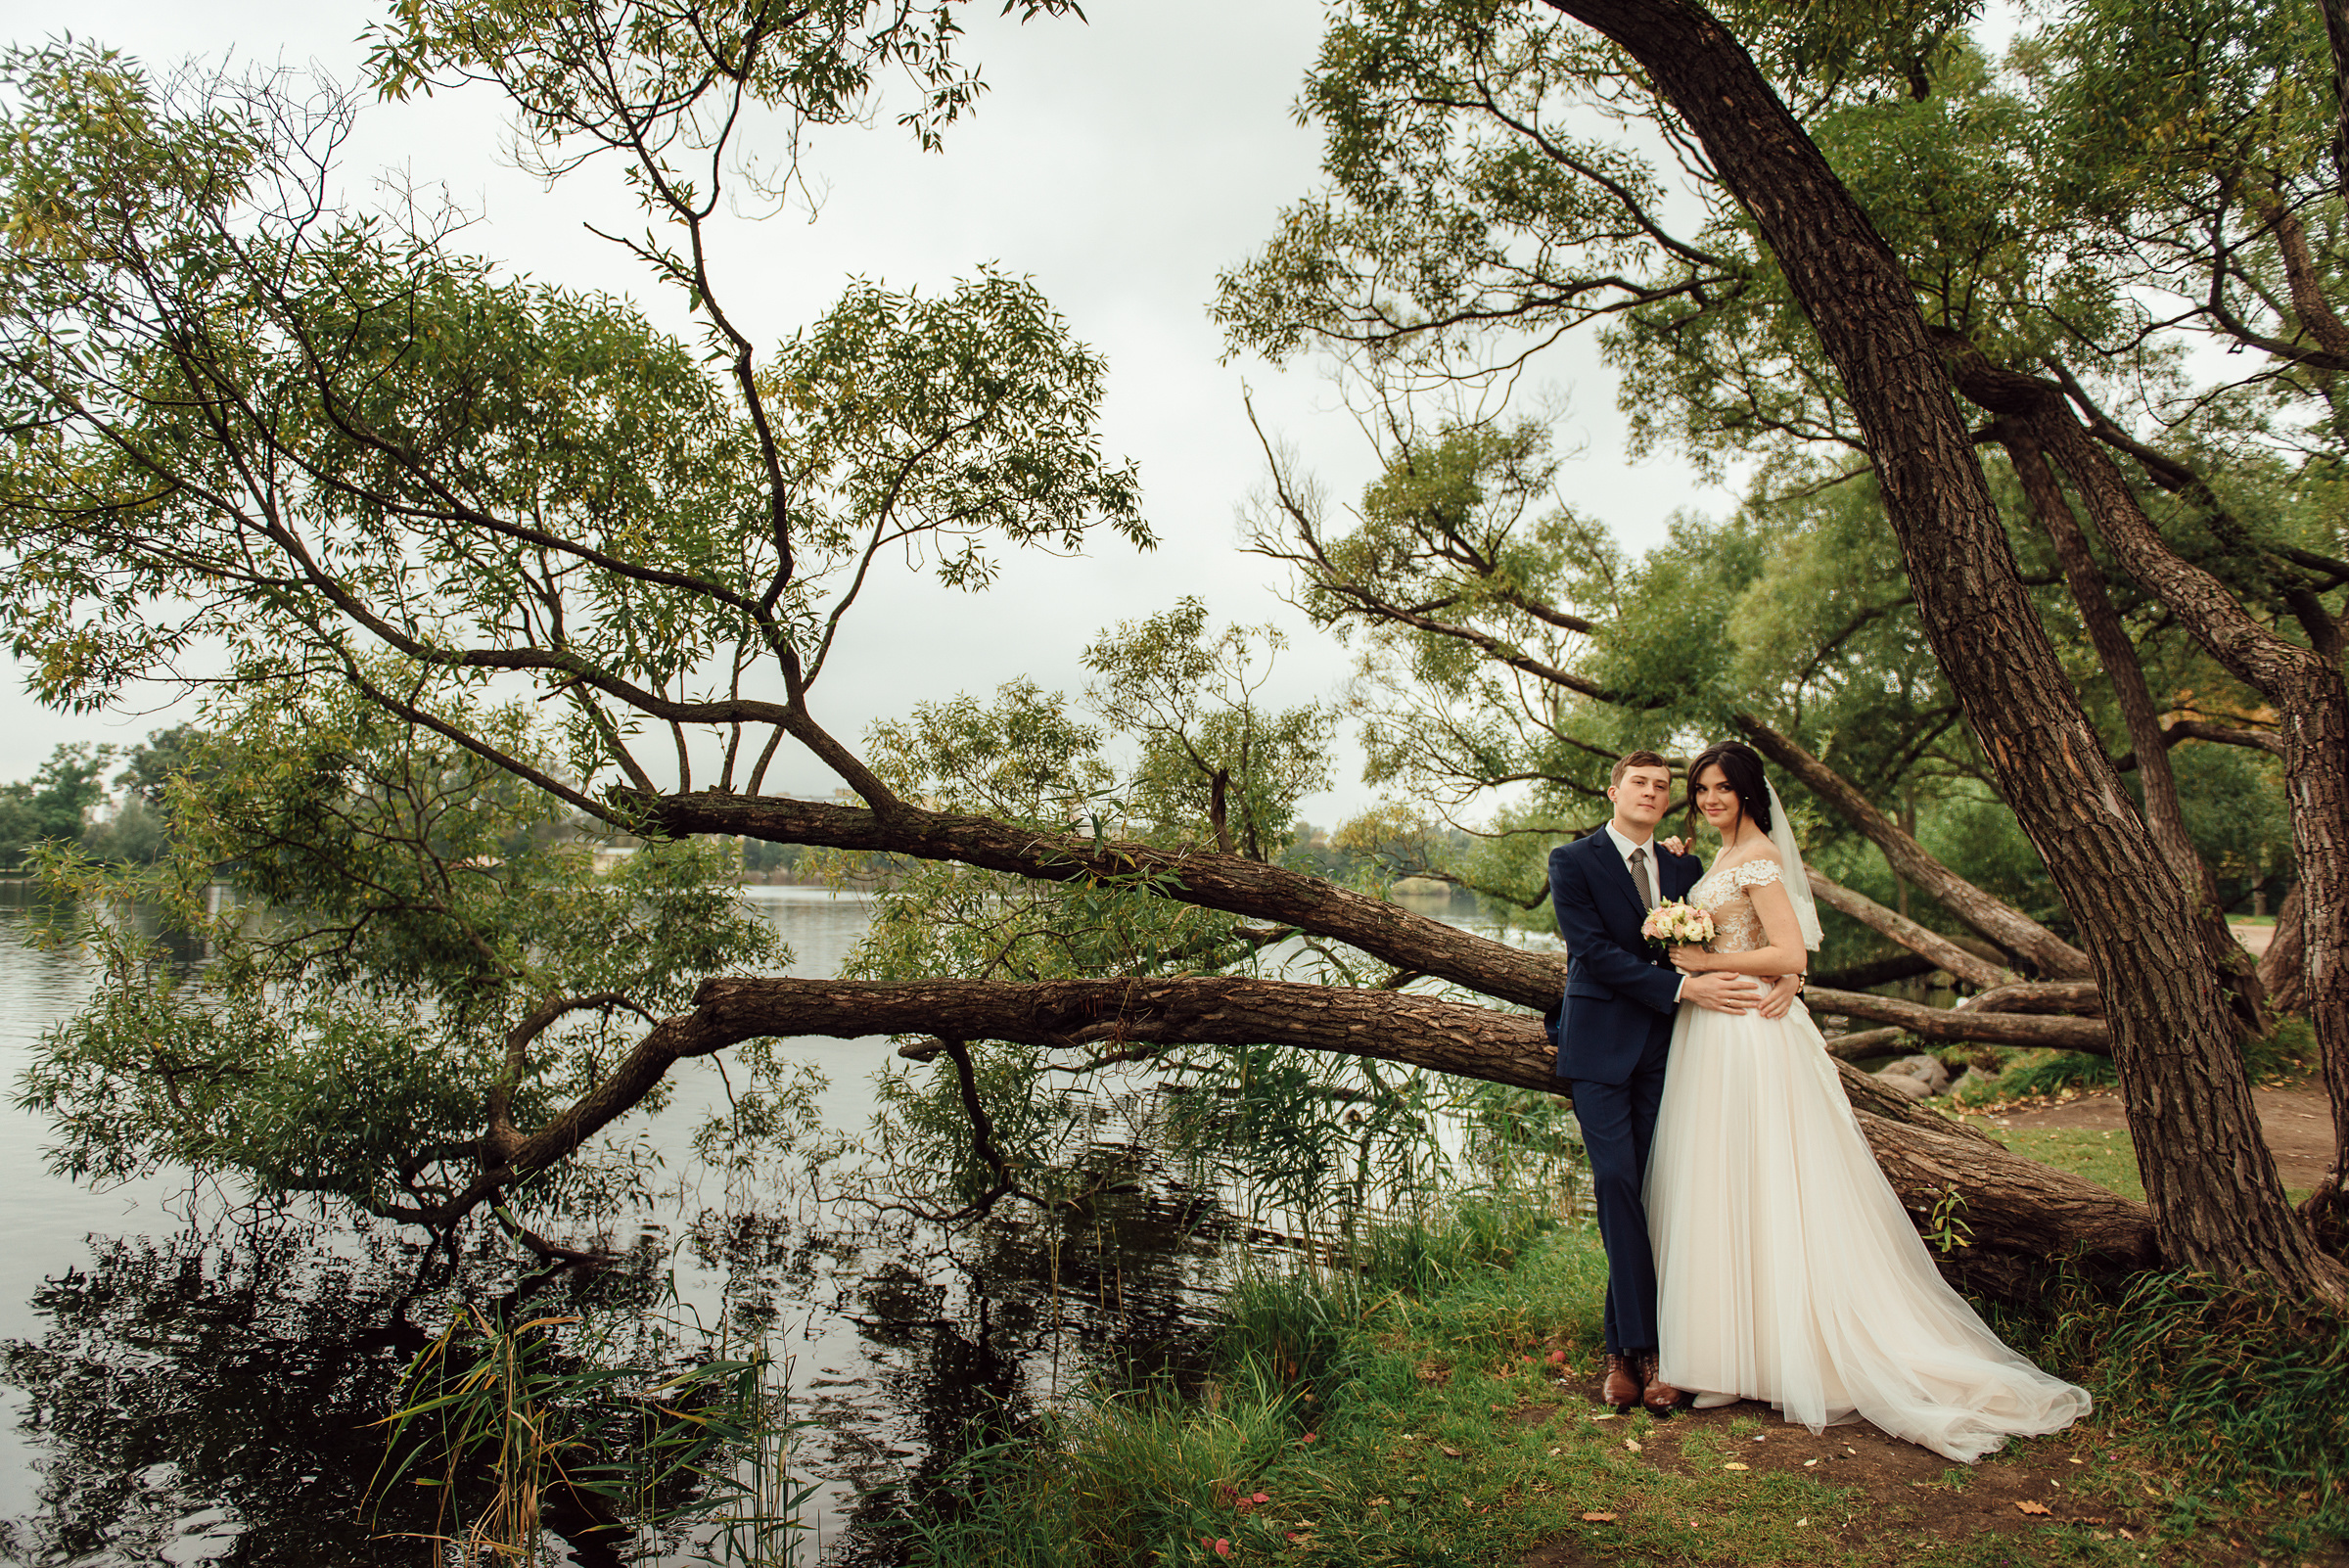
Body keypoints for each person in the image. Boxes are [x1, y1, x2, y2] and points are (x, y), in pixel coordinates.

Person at [1646, 740, 2091, 1461]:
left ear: (1750, 793)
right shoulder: (1718, 855)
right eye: (1701, 789)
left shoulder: (1758, 856)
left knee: (1772, 1184)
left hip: (1752, 1038)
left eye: (1723, 788)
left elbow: (1791, 956)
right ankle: (1729, 1357)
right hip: (1712, 1035)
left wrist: (1707, 961)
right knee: (1723, 1184)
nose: (1710, 799)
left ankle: (1788, 1353)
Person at [1547, 750, 1764, 1412]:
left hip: (1671, 1052)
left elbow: (1719, 938)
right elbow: (1593, 952)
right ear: (1613, 790)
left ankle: (1645, 1347)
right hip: (1600, 1045)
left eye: (1661, 786)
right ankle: (1636, 1352)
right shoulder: (1572, 861)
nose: (1649, 792)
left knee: (1659, 1193)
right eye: (1637, 782)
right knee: (1616, 1183)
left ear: (1668, 803)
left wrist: (1786, 978)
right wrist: (1683, 988)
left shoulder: (1683, 867)